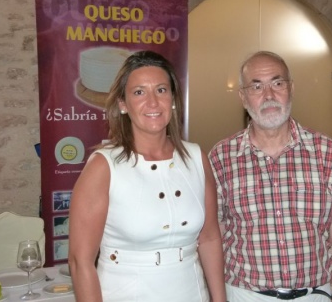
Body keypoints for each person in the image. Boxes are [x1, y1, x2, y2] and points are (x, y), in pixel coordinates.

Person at [69, 50, 226, 302]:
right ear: (122, 104)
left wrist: (220, 300)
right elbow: (80, 261)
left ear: (173, 99)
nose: (152, 102)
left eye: (161, 90)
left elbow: (209, 238)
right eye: (139, 92)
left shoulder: (197, 159)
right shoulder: (103, 167)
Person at [209, 51, 332, 302]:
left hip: (314, 296)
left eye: (277, 84)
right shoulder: (221, 157)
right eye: (256, 86)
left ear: (291, 89)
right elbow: (215, 232)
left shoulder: (326, 152)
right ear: (243, 97)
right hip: (244, 295)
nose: (268, 95)